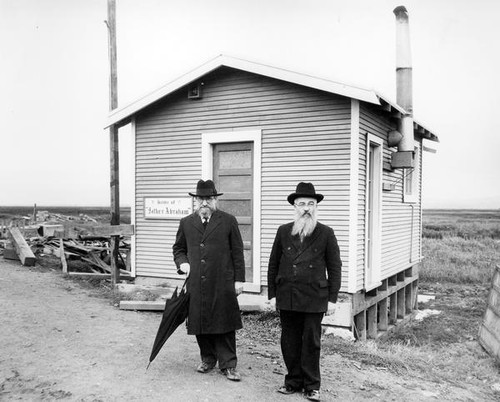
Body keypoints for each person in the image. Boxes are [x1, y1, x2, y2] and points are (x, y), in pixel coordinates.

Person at [267, 182, 342, 401]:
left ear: (316, 206)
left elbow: (335, 266)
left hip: (314, 297)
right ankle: (292, 381)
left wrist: (333, 299)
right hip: (287, 294)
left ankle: (312, 385)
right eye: (302, 204)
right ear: (295, 207)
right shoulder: (283, 231)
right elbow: (273, 264)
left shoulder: (326, 233)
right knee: (289, 340)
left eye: (311, 203)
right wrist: (272, 294)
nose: (306, 208)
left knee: (311, 341)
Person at [172, 179, 245, 381]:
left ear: (215, 200)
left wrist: (239, 280)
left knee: (225, 323)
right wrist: (182, 264)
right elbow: (178, 249)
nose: (204, 202)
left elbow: (238, 252)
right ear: (195, 200)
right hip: (196, 282)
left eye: (208, 198)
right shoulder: (186, 222)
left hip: (222, 281)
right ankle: (208, 359)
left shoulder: (228, 220)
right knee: (200, 321)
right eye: (201, 199)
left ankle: (228, 364)